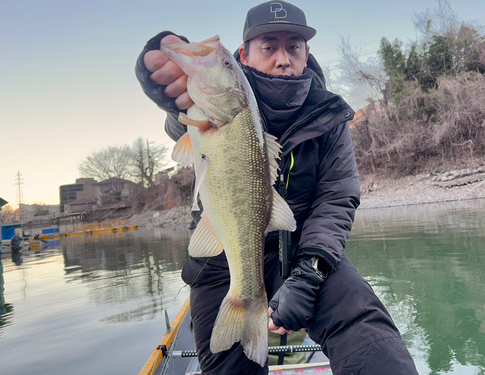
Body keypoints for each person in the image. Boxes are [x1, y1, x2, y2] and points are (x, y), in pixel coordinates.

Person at [135, 1, 420, 374]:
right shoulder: (212, 106)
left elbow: (338, 196)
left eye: (294, 47)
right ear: (244, 57)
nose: (283, 58)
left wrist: (310, 272)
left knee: (373, 340)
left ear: (306, 54)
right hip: (222, 259)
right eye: (269, 46)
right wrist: (166, 84)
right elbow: (179, 123)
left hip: (303, 250)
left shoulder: (330, 114)